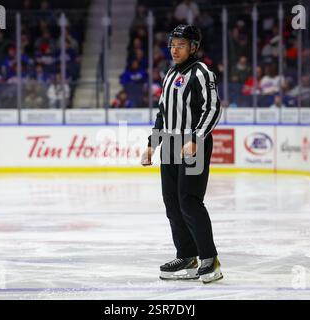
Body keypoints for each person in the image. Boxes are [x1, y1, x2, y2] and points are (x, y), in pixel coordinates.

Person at [141, 24, 223, 284]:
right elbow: (163, 113)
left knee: (189, 201)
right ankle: (187, 256)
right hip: (171, 145)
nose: (174, 50)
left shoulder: (202, 73)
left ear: (194, 47)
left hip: (192, 144)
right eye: (172, 45)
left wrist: (197, 137)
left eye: (181, 45)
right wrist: (152, 144)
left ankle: (209, 259)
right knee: (172, 204)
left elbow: (213, 108)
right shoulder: (169, 74)